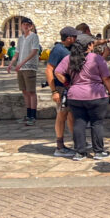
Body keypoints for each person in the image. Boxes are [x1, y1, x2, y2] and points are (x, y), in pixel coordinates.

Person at [54, 33, 110, 161]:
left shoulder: (69, 58)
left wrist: (67, 83)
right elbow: (106, 78)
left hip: (75, 96)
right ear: (90, 45)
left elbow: (57, 72)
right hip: (96, 95)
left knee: (79, 123)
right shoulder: (97, 58)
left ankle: (79, 152)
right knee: (96, 123)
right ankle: (98, 151)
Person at [45, 26, 79, 157]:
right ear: (69, 38)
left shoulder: (68, 49)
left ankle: (77, 142)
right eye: (75, 37)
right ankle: (59, 147)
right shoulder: (58, 50)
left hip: (68, 88)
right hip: (60, 88)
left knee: (71, 116)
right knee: (61, 115)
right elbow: (49, 70)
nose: (76, 39)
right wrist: (54, 91)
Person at [7, 17, 40, 126]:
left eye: (28, 25)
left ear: (31, 26)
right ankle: (28, 114)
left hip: (29, 67)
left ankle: (33, 116)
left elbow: (34, 51)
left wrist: (22, 63)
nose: (25, 26)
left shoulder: (34, 37)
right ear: (21, 26)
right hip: (20, 68)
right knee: (24, 91)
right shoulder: (20, 38)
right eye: (24, 24)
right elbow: (17, 53)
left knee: (31, 91)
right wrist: (11, 63)